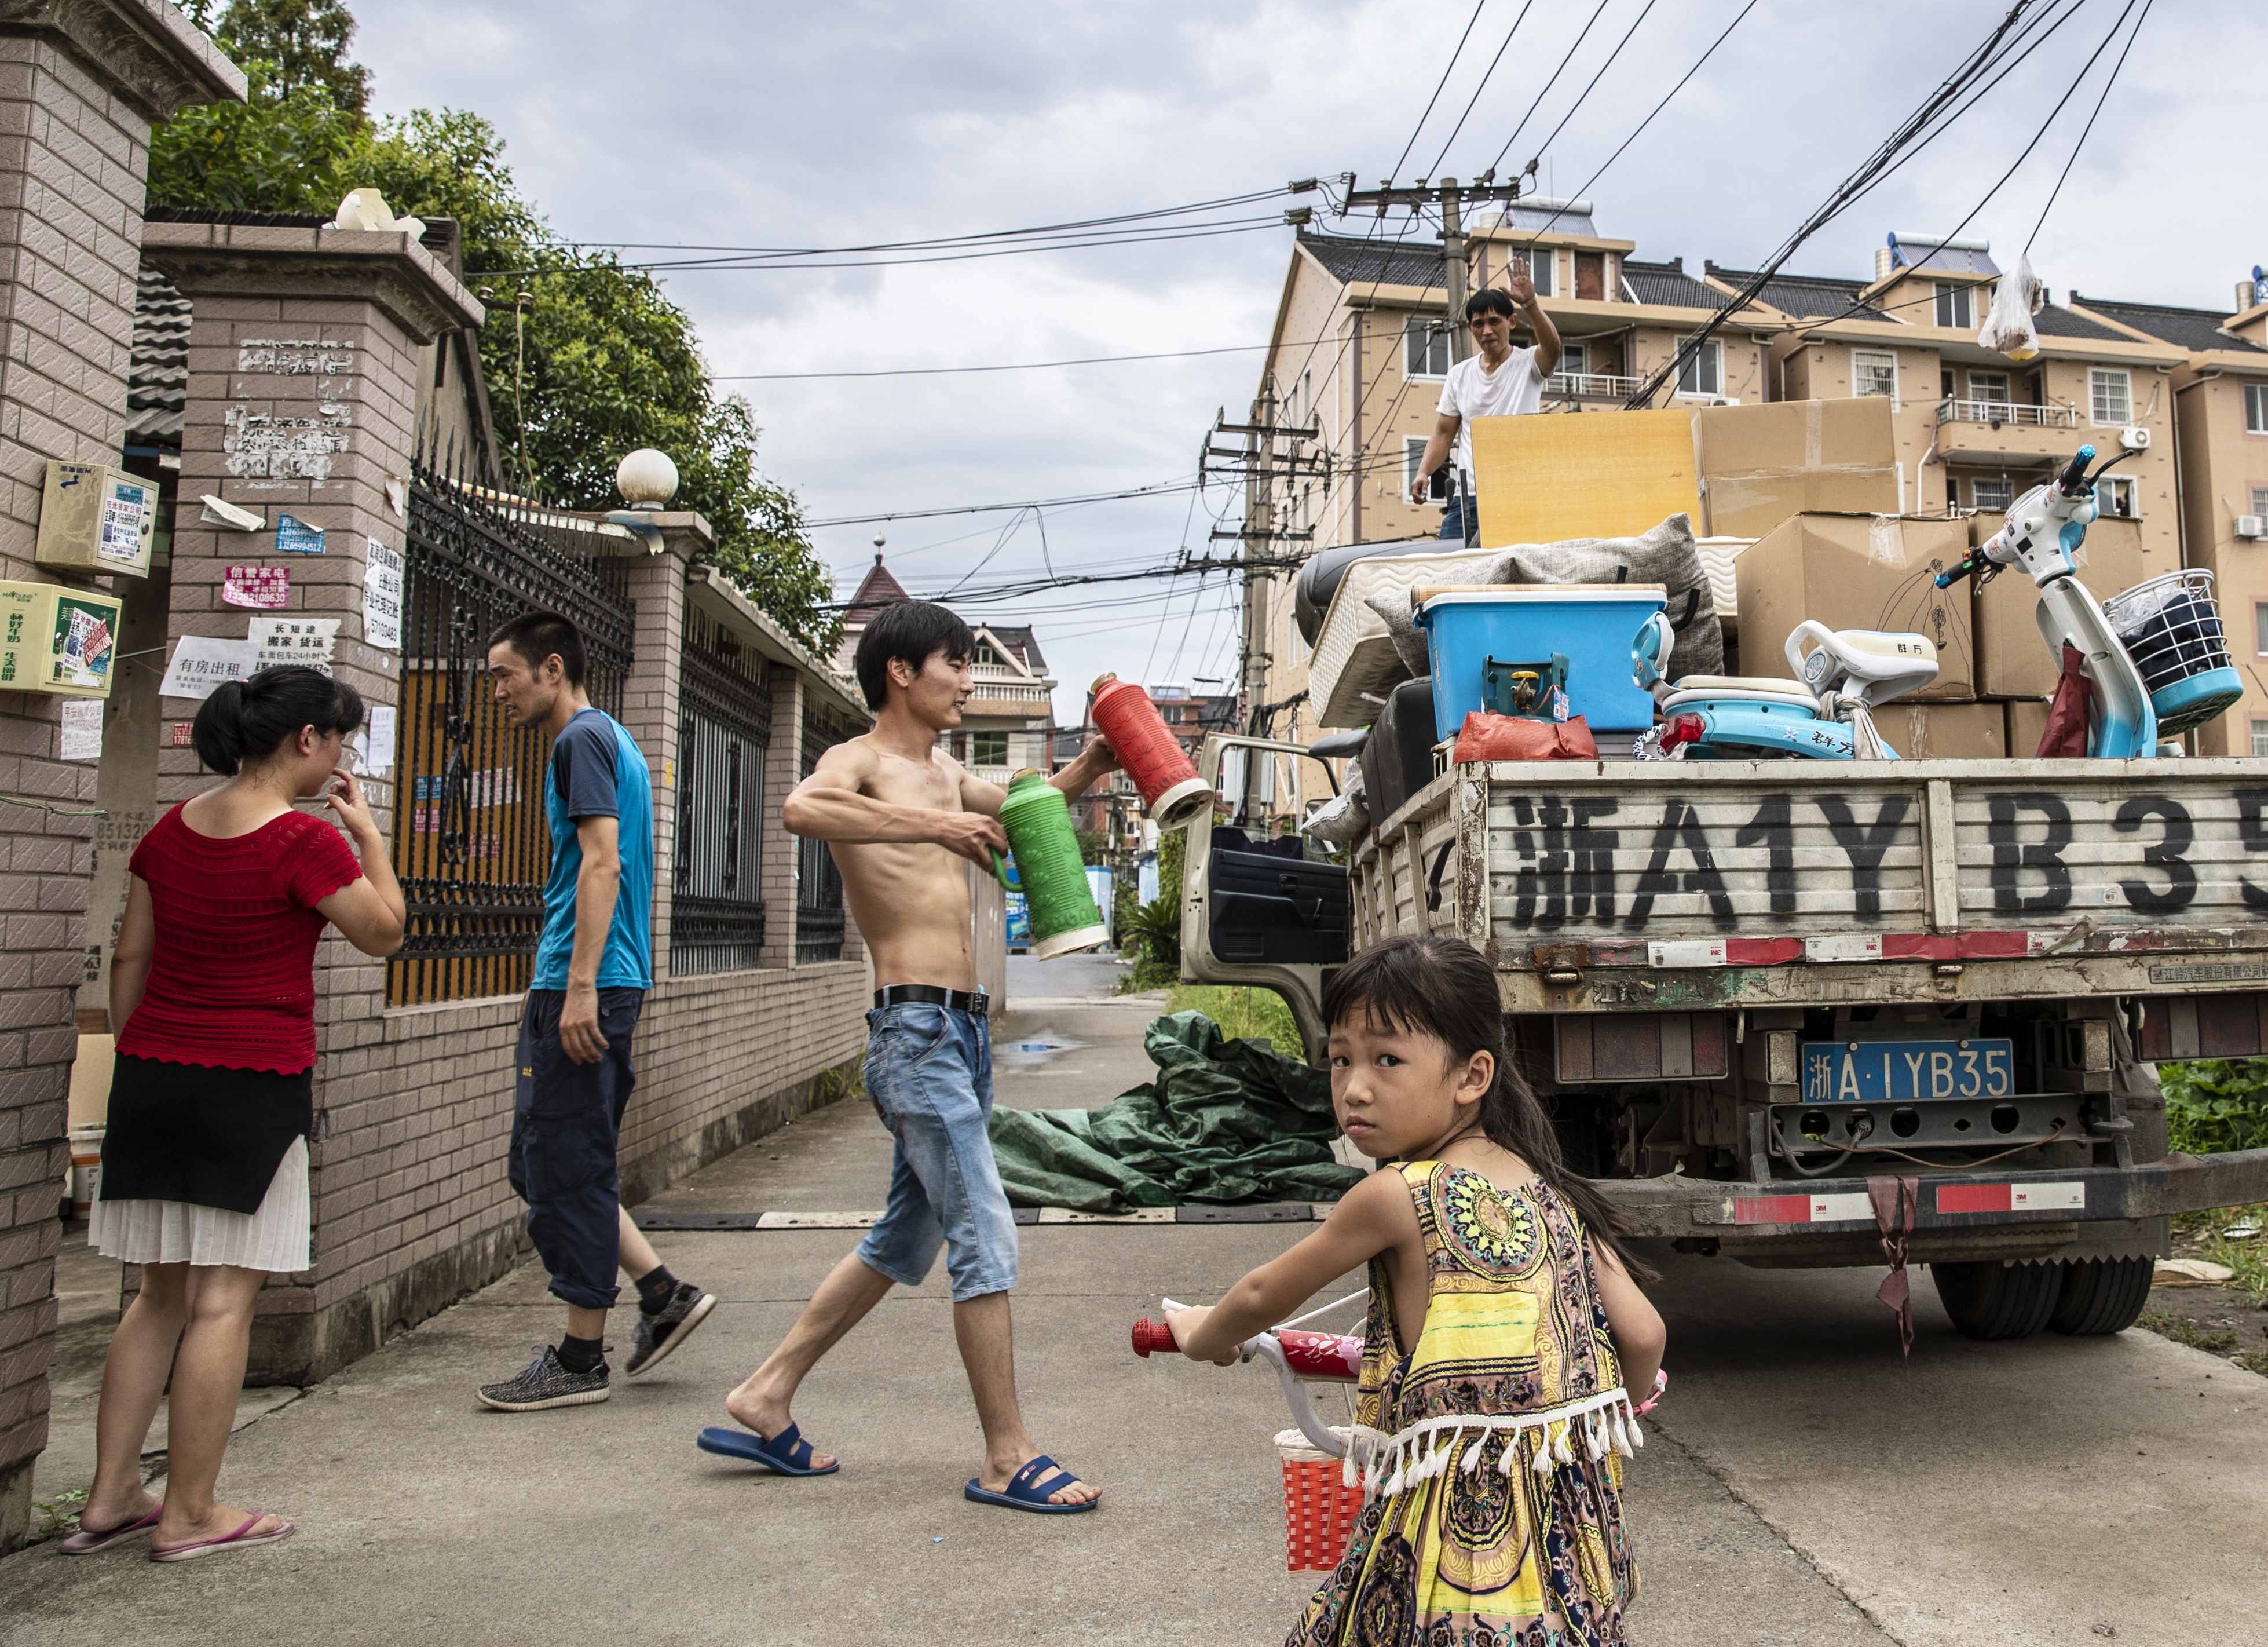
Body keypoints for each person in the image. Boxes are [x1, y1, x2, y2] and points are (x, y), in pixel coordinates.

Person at [699, 600, 1121, 1509]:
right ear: (900, 671)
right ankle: (1007, 1455)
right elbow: (801, 807)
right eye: (955, 663)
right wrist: (933, 829)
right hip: (914, 1031)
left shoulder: (945, 772)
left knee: (905, 1235)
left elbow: (1026, 806)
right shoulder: (859, 762)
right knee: (984, 1229)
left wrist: (1095, 758)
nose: (968, 681)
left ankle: (763, 1395)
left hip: (960, 1034)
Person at [1170, 934, 1665, 1644]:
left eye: (1387, 1059)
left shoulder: (1396, 1195)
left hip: (1449, 1545)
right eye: (1340, 1058)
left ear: (1472, 1077)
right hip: (1566, 1535)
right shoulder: (1548, 1187)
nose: (1354, 1087)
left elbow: (1258, 1298)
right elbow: (1643, 1335)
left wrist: (1201, 1336)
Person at [66, 667, 405, 1561]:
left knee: (156, 1294)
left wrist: (146, 1052)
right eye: (339, 741)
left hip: (152, 1074)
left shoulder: (170, 830)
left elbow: (129, 958)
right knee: (222, 1301)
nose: (339, 757)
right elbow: (384, 931)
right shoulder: (302, 839)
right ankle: (190, 1512)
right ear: (307, 742)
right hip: (250, 1081)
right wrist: (368, 836)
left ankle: (109, 1496)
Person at [475, 609, 715, 1411]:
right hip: (595, 977)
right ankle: (661, 1292)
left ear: (551, 668)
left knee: (568, 1165)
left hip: (589, 981)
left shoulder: (579, 739)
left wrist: (578, 985)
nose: (497, 690)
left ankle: (580, 1356)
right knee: (538, 1160)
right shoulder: (610, 736)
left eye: (505, 674)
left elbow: (602, 860)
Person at [1405, 258, 1563, 547]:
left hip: (1519, 495)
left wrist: (1531, 304)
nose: (1487, 331)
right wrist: (1423, 471)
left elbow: (1553, 347)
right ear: (1470, 328)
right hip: (1469, 499)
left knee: (1515, 580)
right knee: (1453, 574)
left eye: (1494, 322)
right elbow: (1443, 432)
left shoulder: (1529, 364)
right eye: (1478, 324)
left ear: (1511, 322)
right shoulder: (1459, 375)